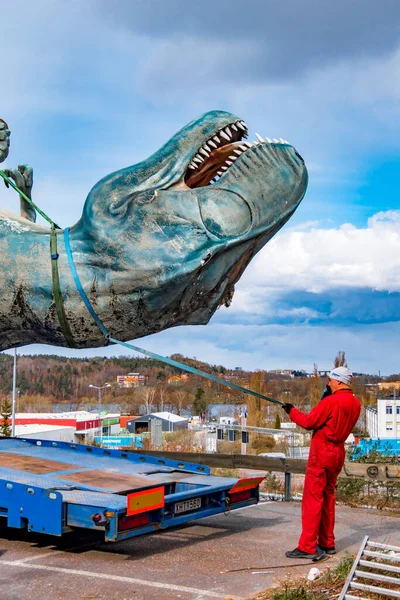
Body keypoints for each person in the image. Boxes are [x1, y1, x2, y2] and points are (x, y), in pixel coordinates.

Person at [282, 366, 361, 561]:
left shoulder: (332, 402)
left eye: (331, 381)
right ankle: (327, 542)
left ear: (339, 382)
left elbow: (309, 422)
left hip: (322, 452)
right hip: (338, 452)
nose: (328, 384)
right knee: (328, 497)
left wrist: (292, 411)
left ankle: (307, 546)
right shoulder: (356, 403)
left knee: (312, 499)